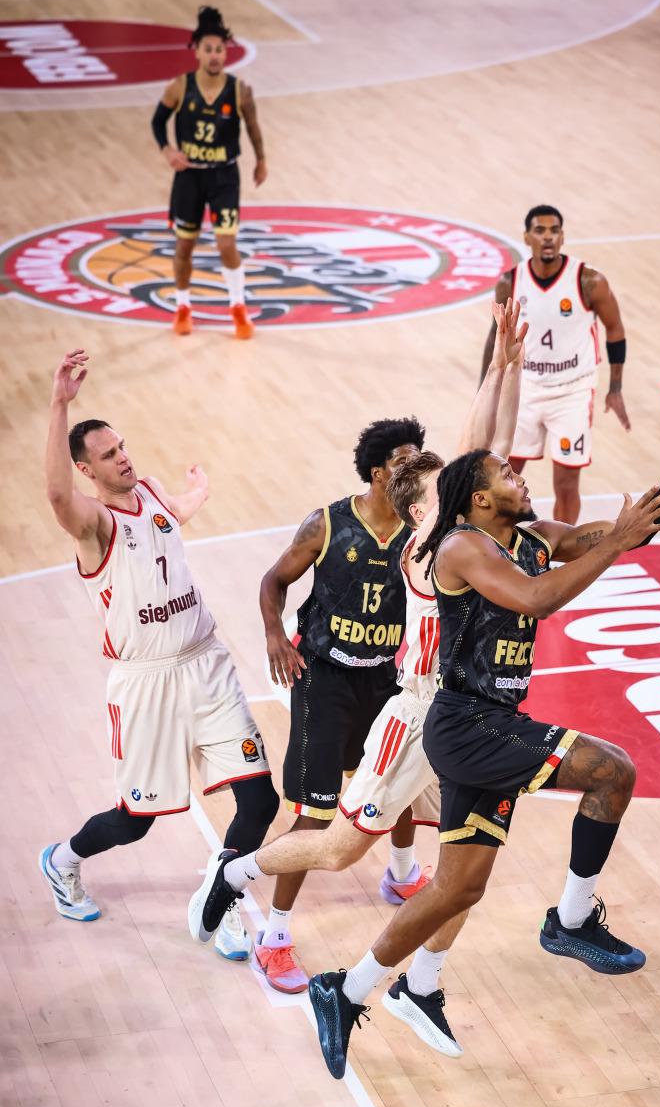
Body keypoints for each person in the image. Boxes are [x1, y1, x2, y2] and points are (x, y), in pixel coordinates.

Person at [306, 429, 660, 1077]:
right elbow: (538, 598)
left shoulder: (534, 540)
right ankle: (571, 922)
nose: (521, 477)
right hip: (467, 725)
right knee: (612, 771)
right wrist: (614, 543)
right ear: (479, 498)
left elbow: (632, 529)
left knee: (457, 889)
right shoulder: (460, 547)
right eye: (507, 473)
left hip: (491, 722)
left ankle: (351, 988)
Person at [188, 300, 527, 1058]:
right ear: (419, 503)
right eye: (439, 482)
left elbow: (484, 447)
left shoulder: (450, 522)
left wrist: (503, 368)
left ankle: (421, 981)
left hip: (451, 705)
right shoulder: (425, 541)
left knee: (459, 867)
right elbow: (478, 450)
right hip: (399, 700)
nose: (461, 480)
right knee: (333, 839)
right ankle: (246, 886)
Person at [38, 349, 280, 962]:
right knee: (134, 822)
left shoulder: (148, 493)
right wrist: (59, 403)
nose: (123, 457)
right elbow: (57, 496)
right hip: (147, 684)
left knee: (261, 800)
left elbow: (172, 517)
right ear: (86, 469)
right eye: (108, 455)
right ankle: (62, 860)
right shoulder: (93, 525)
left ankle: (220, 899)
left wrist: (198, 492)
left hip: (207, 664)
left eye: (122, 446)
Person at [243, 416, 427, 994]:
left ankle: (400, 874)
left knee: (395, 783)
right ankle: (273, 937)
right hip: (322, 679)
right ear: (378, 473)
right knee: (316, 816)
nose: (417, 468)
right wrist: (275, 635)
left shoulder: (422, 529)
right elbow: (273, 581)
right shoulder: (327, 523)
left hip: (383, 678)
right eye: (404, 460)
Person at [481, 204, 630, 525]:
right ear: (527, 237)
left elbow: (615, 329)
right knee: (502, 478)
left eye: (554, 230)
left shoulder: (589, 281)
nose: (547, 237)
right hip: (523, 390)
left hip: (572, 393)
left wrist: (615, 388)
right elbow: (496, 336)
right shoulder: (510, 282)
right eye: (540, 231)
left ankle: (562, 550)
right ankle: (498, 545)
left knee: (565, 485)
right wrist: (485, 393)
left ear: (562, 236)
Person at [151, 6, 267, 339]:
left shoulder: (239, 90)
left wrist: (261, 160)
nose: (215, 55)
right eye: (209, 49)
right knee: (184, 246)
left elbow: (253, 126)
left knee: (226, 244)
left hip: (224, 176)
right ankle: (183, 307)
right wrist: (168, 150)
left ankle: (238, 306)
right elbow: (158, 121)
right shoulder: (180, 86)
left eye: (219, 49)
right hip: (190, 177)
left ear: (226, 53)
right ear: (197, 52)